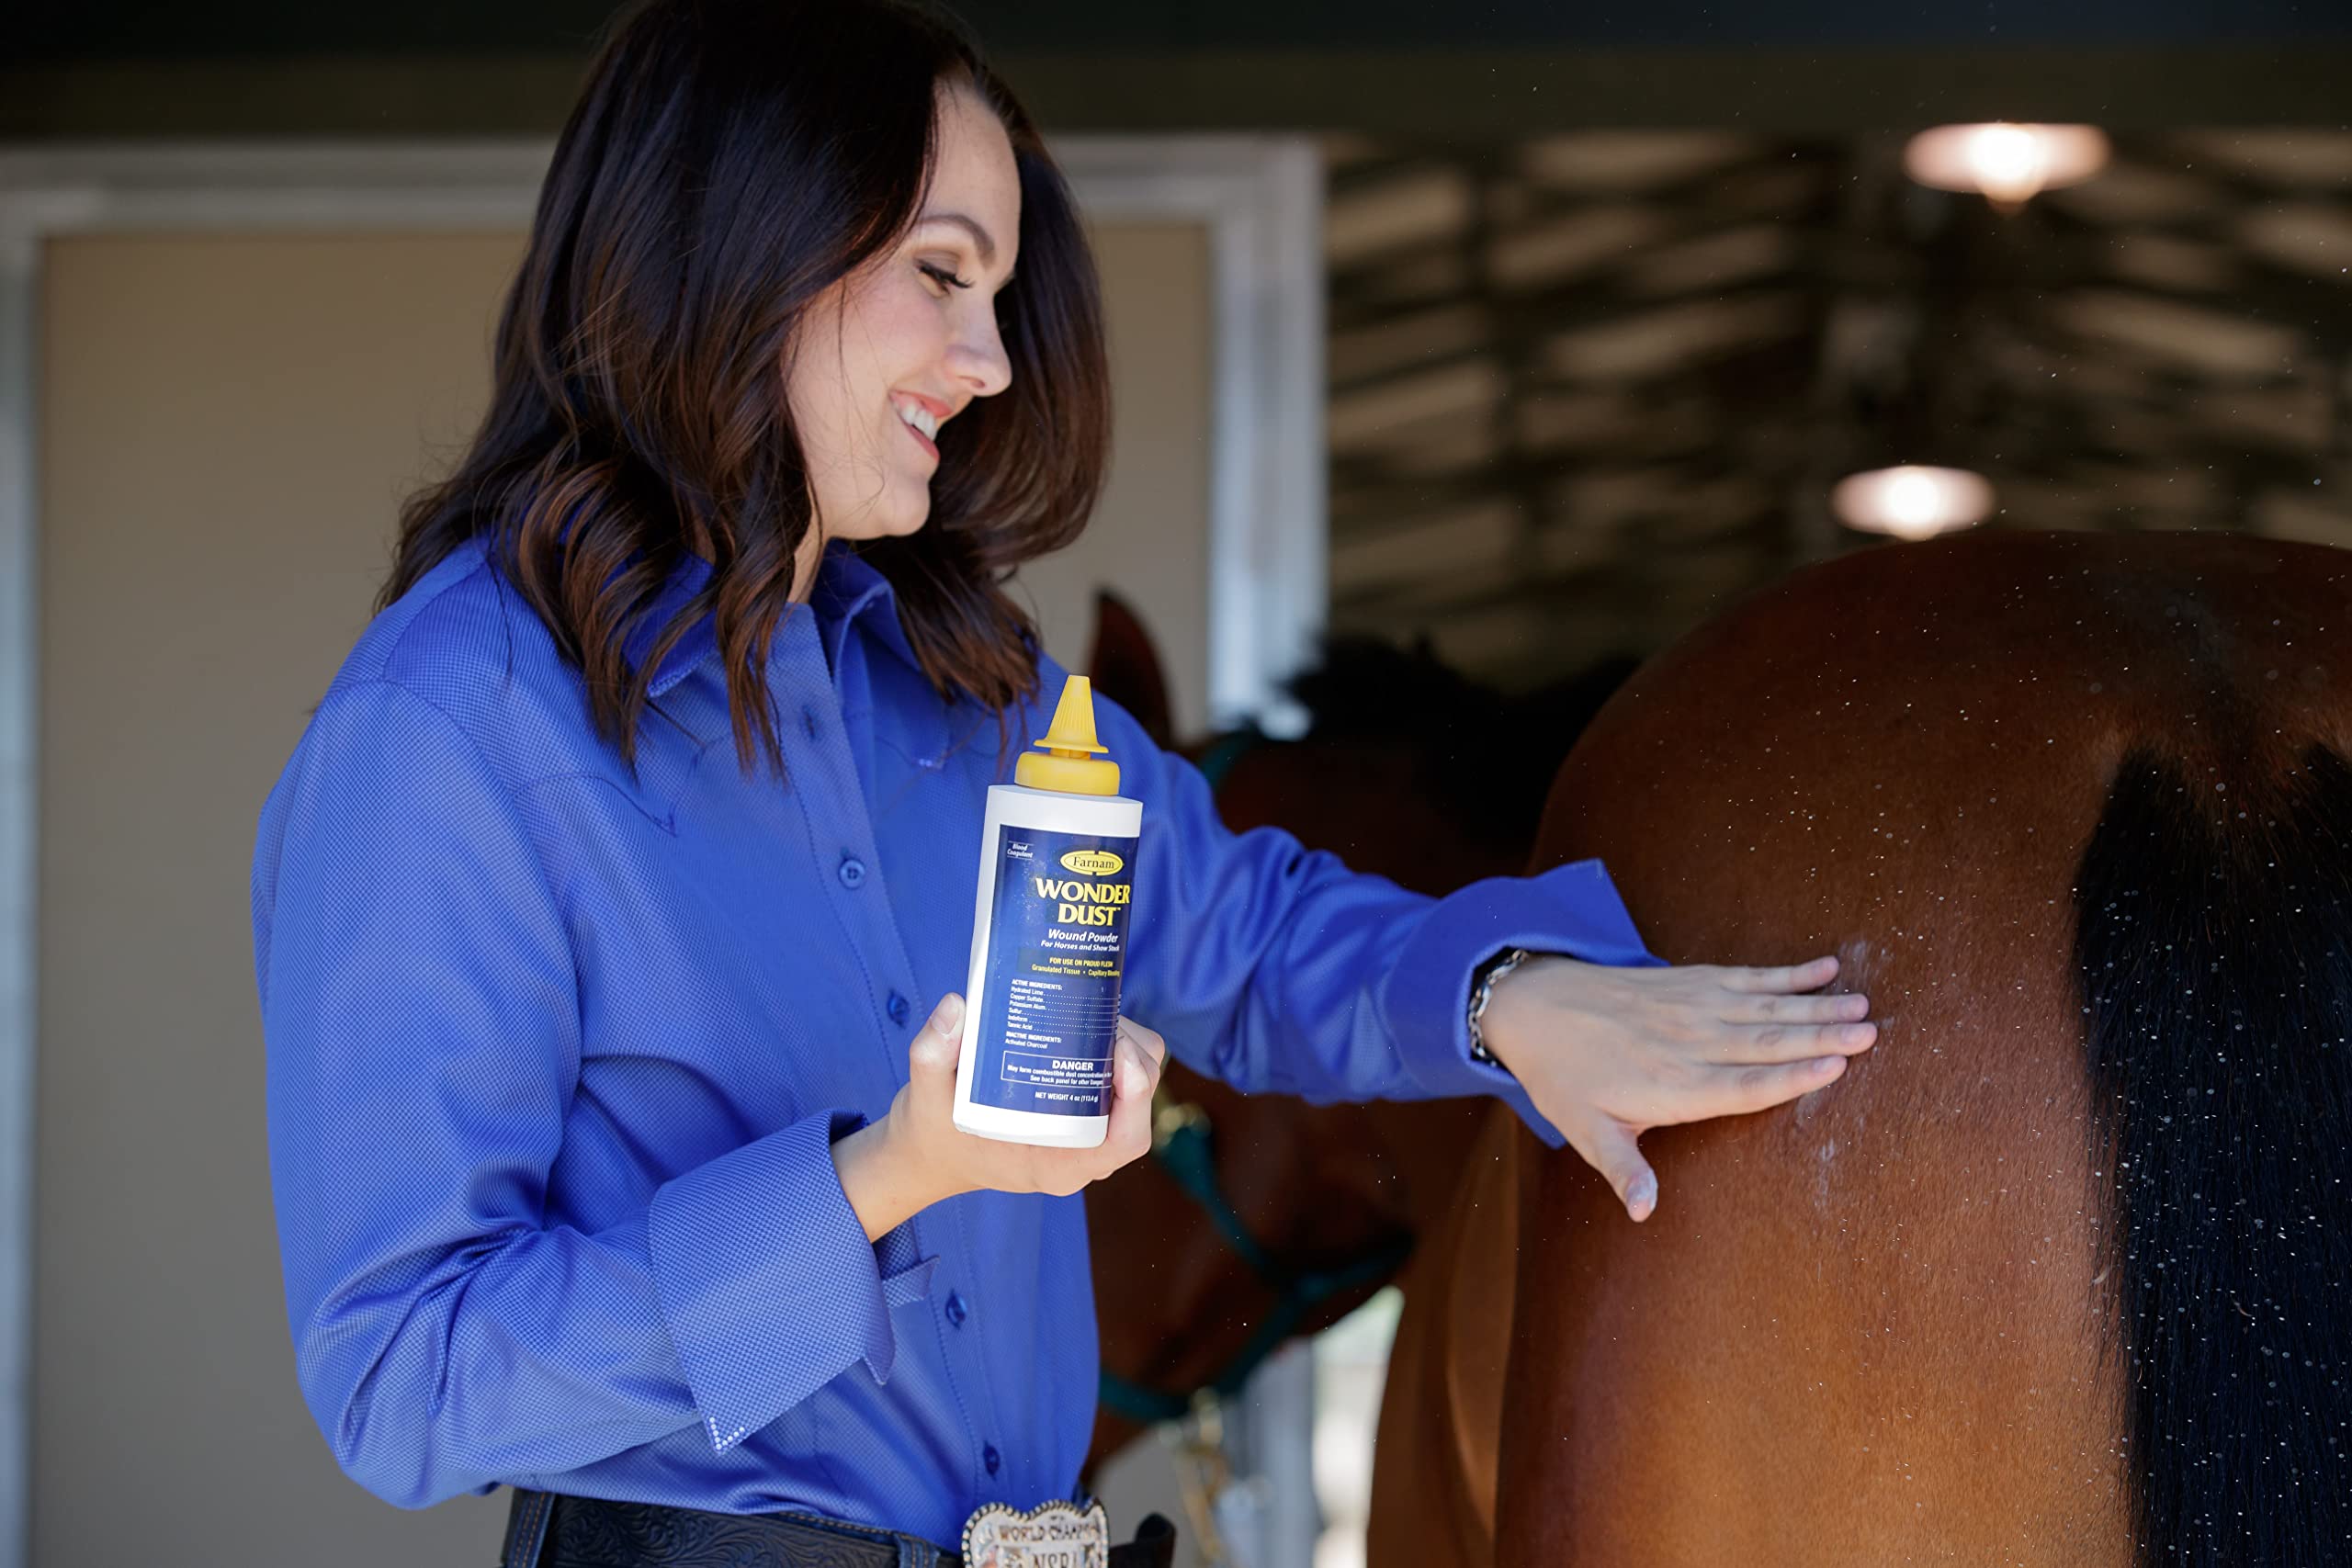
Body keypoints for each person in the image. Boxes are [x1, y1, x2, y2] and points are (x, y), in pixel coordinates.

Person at [249, 1, 1879, 1562]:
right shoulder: (448, 736)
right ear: (740, 251)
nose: (990, 360)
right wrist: (890, 1175)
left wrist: (1506, 995)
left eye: (999, 295)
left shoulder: (977, 690)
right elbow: (406, 1378)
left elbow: (1240, 933)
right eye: (942, 276)